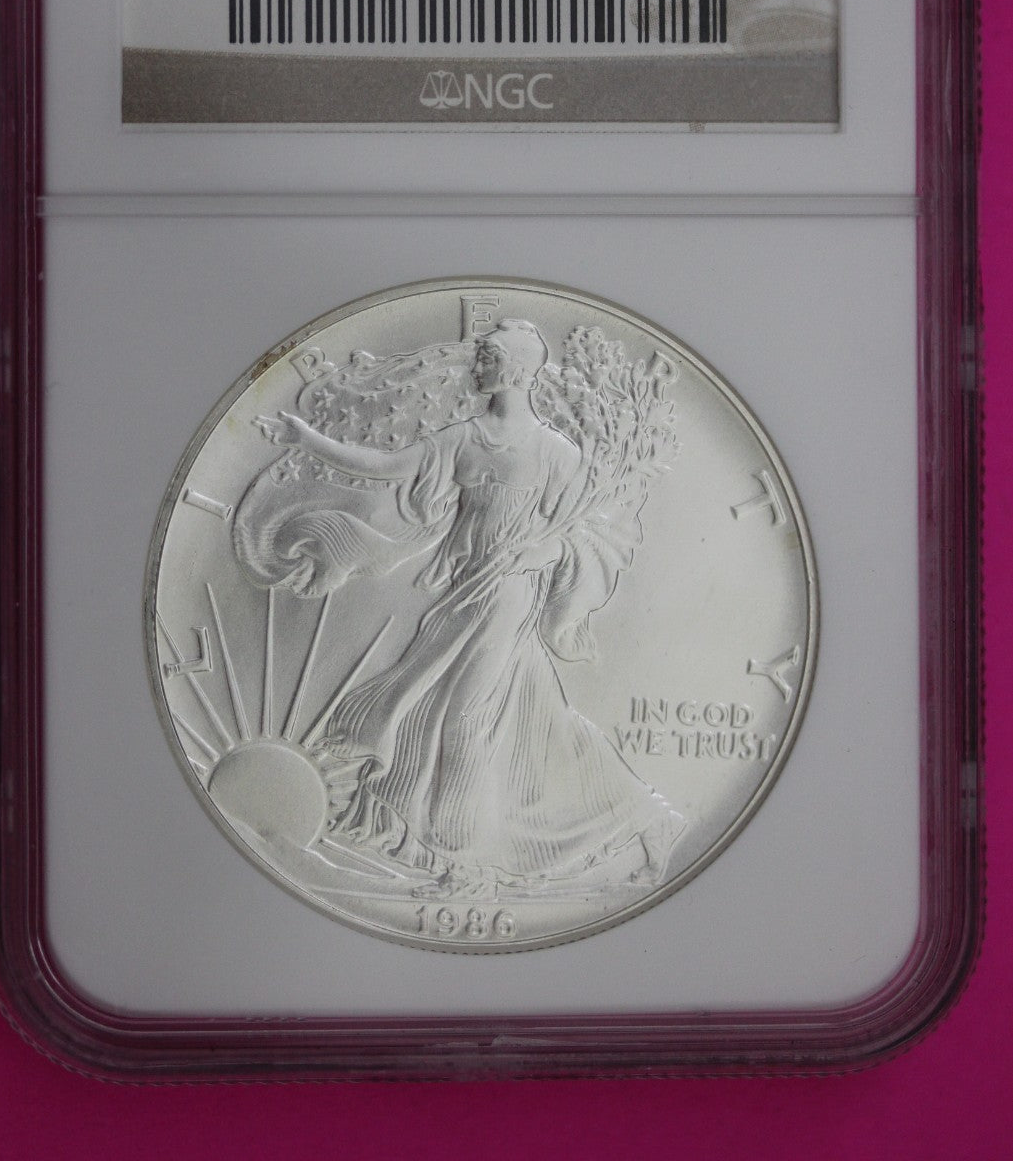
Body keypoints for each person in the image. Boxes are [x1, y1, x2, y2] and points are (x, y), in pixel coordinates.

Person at [236, 319, 684, 893]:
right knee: (525, 721)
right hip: (467, 594)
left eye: (488, 356)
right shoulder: (464, 438)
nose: (477, 364)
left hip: (511, 595)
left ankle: (464, 863)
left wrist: (543, 550)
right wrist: (306, 440)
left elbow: (587, 531)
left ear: (516, 370)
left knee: (464, 719)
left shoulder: (554, 452)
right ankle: (647, 818)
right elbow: (384, 467)